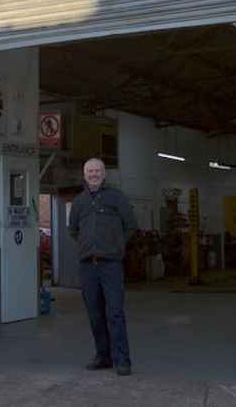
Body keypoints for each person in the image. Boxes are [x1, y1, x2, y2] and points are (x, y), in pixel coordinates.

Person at [69, 158, 137, 376]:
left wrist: (117, 247)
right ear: (84, 173)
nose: (94, 174)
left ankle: (122, 360)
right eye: (90, 171)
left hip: (111, 264)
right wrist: (85, 246)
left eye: (97, 170)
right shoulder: (79, 201)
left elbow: (131, 226)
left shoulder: (116, 197)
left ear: (104, 173)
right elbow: (73, 229)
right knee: (94, 313)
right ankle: (103, 356)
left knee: (115, 312)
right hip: (88, 265)